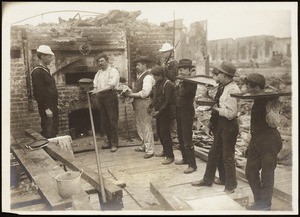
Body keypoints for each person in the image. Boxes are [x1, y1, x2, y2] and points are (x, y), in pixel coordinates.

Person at [191, 61, 241, 194]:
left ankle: (231, 185)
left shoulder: (233, 89)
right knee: (213, 154)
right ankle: (208, 180)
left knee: (228, 156)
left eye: (217, 74)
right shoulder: (223, 86)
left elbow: (231, 114)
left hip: (229, 126)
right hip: (220, 124)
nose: (215, 76)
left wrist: (215, 109)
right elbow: (219, 102)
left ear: (225, 75)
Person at [244, 73, 282, 211]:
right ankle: (259, 200)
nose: (246, 88)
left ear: (255, 87)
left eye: (248, 86)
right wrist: (250, 142)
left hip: (269, 140)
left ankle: (265, 204)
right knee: (250, 171)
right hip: (256, 139)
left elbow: (274, 121)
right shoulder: (257, 99)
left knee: (267, 173)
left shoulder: (268, 99)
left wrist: (272, 100)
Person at [125, 57, 155, 159]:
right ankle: (144, 145)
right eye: (136, 65)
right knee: (140, 125)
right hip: (138, 103)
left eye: (139, 65)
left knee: (145, 126)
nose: (136, 67)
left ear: (144, 65)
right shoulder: (141, 76)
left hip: (144, 103)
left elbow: (145, 93)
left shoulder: (147, 77)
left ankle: (150, 150)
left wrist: (131, 94)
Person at [90, 53, 120, 152]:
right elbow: (95, 85)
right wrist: (94, 90)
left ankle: (115, 143)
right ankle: (109, 141)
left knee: (112, 120)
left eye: (102, 61)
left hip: (110, 96)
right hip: (101, 98)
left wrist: (97, 91)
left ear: (107, 61)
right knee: (104, 121)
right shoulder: (98, 73)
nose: (100, 63)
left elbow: (111, 86)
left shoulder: (113, 71)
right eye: (98, 61)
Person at [174, 59, 198, 174]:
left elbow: (185, 94)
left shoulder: (191, 81)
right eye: (179, 69)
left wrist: (180, 83)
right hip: (179, 110)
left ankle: (192, 165)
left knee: (187, 137)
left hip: (187, 111)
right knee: (180, 135)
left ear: (189, 70)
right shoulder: (182, 80)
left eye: (183, 69)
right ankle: (185, 158)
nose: (180, 71)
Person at [149, 66, 175, 165]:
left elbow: (168, 101)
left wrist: (159, 112)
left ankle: (170, 156)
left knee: (165, 134)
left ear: (160, 75)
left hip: (166, 112)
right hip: (159, 112)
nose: (154, 78)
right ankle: (165, 150)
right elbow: (156, 97)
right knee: (160, 133)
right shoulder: (158, 83)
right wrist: (151, 106)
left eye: (155, 76)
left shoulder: (167, 84)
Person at [31, 45, 59, 138]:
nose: (51, 59)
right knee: (48, 131)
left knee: (54, 130)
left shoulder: (47, 70)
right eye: (49, 56)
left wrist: (55, 104)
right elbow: (38, 93)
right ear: (42, 56)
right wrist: (46, 108)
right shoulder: (37, 72)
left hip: (52, 105)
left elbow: (50, 89)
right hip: (47, 107)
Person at [159, 43, 178, 143]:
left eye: (164, 52)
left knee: (171, 113)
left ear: (170, 52)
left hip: (172, 89)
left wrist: (165, 68)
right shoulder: (167, 62)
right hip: (165, 88)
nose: (163, 54)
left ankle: (173, 136)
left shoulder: (173, 63)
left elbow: (173, 77)